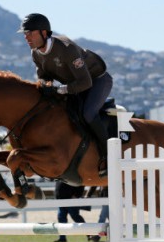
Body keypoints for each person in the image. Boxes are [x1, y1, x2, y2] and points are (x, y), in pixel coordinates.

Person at [18, 13, 113, 176]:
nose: (27, 37)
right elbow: (43, 75)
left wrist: (60, 89)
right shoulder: (35, 53)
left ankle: (109, 156)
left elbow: (85, 82)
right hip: (74, 85)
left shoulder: (66, 49)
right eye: (25, 34)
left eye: (30, 33)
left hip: (97, 81)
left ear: (44, 33)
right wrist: (46, 84)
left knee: (88, 114)